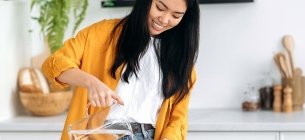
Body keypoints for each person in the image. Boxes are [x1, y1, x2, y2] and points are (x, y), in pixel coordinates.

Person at [42, 0, 200, 139]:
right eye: (159, 7)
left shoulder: (182, 62)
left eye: (176, 16)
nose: (164, 19)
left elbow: (178, 118)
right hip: (100, 134)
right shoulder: (101, 33)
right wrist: (91, 82)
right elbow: (53, 64)